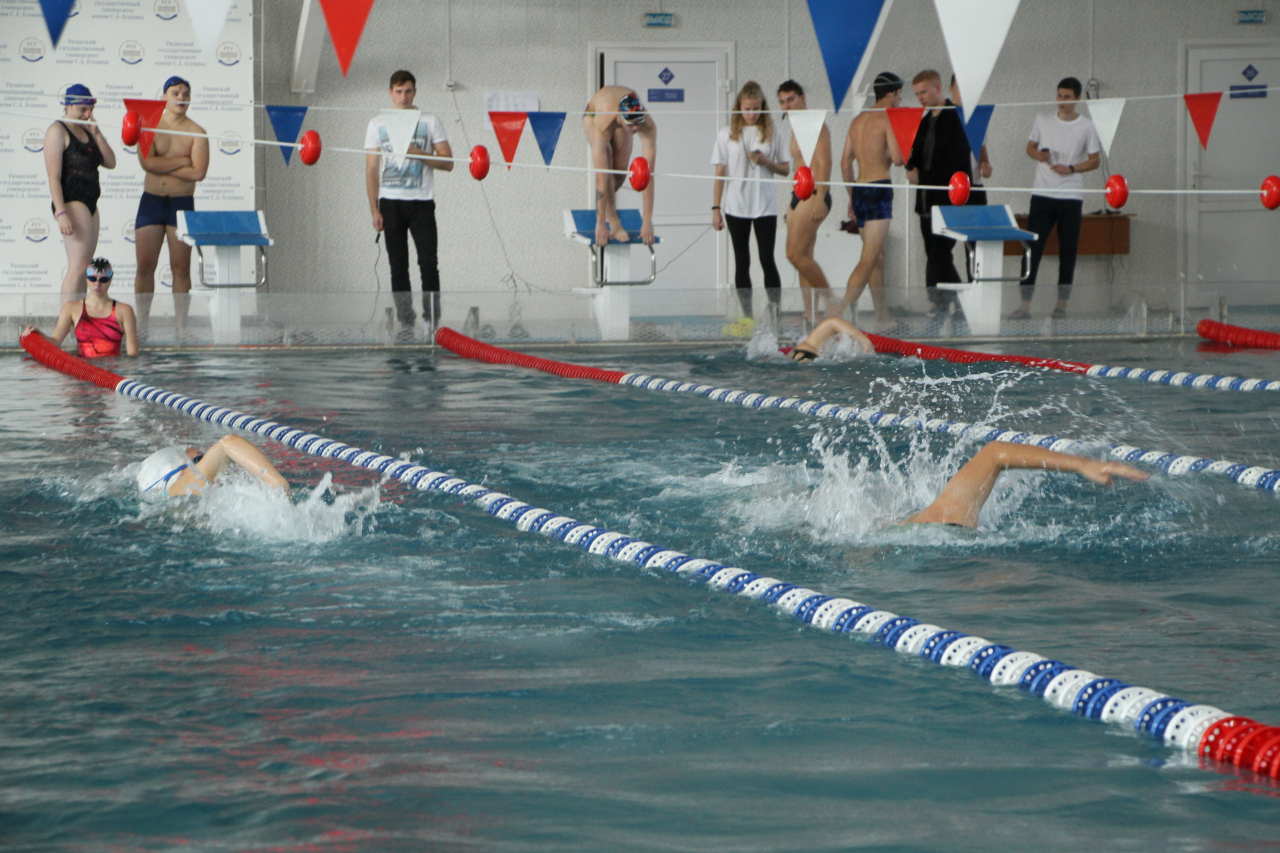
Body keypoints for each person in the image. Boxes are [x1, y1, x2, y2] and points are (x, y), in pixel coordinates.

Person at [365, 69, 453, 340]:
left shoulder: (430, 120)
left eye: (408, 91)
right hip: (390, 203)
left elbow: (449, 162)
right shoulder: (377, 124)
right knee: (397, 265)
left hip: (422, 203)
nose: (403, 97)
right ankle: (406, 321)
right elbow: (371, 169)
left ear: (415, 93)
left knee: (428, 263)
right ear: (390, 93)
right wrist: (374, 209)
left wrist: (420, 154)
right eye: (399, 91)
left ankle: (431, 320)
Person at [1010, 77, 1102, 320]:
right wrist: (1037, 155)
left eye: (1067, 97)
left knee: (1068, 250)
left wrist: (1071, 169)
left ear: (1077, 98)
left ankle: (1061, 305)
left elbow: (1095, 161)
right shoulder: (1043, 119)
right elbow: (1029, 148)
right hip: (1042, 192)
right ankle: (1024, 305)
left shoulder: (1087, 126)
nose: (1062, 101)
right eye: (1059, 96)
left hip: (1070, 195)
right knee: (1032, 249)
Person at [903, 441, 1147, 529]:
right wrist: (1081, 464)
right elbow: (994, 453)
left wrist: (1081, 464)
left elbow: (994, 453)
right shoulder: (946, 519)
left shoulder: (944, 518)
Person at [827, 72, 906, 328]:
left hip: (860, 189)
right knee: (869, 257)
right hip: (879, 189)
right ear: (891, 93)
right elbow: (897, 158)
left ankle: (882, 317)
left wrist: (852, 196)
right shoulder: (888, 119)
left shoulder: (857, 120)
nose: (901, 99)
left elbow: (844, 163)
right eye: (900, 94)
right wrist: (908, 146)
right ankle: (838, 314)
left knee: (877, 256)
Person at [133, 76, 208, 338]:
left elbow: (199, 173)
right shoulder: (148, 126)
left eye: (186, 93)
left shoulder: (197, 132)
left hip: (182, 204)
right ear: (163, 96)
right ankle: (141, 325)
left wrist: (165, 162)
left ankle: (182, 327)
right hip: (151, 201)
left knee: (180, 268)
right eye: (175, 93)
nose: (181, 98)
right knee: (145, 266)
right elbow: (148, 164)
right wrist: (181, 161)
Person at [711, 81, 789, 331]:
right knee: (741, 260)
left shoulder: (774, 131)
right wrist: (715, 208)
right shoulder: (726, 134)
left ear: (763, 107)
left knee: (767, 258)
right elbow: (720, 172)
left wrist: (766, 161)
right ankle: (747, 316)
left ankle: (775, 314)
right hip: (736, 206)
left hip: (765, 205)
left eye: (756, 108)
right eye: (747, 108)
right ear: (739, 108)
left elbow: (786, 169)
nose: (752, 113)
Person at [905, 70, 972, 319]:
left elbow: (955, 163)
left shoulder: (956, 117)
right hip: (926, 200)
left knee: (940, 253)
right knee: (933, 255)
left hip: (948, 200)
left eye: (924, 92)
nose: (920, 98)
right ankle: (944, 304)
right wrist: (910, 166)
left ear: (938, 88)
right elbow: (915, 152)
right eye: (917, 94)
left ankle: (961, 302)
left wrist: (922, 177)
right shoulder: (924, 121)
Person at [44, 84, 116, 303]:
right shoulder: (57, 130)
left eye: (90, 109)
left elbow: (111, 162)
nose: (87, 115)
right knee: (76, 268)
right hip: (71, 201)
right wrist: (61, 213)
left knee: (85, 267)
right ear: (68, 105)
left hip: (91, 201)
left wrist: (97, 132)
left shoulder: (88, 130)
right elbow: (54, 177)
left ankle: (79, 320)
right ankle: (65, 325)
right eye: (83, 110)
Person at [777, 80, 834, 326]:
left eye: (790, 99)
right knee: (804, 255)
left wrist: (821, 197)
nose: (786, 105)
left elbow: (824, 163)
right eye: (782, 101)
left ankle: (832, 302)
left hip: (813, 194)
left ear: (802, 98)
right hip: (799, 194)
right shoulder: (796, 126)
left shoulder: (815, 124)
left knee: (794, 254)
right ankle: (809, 313)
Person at [583, 85, 657, 247]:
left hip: (617, 111)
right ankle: (613, 220)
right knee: (607, 161)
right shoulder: (604, 124)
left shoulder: (647, 125)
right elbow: (601, 177)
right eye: (631, 125)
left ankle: (609, 209)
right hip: (594, 113)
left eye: (638, 123)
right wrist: (601, 223)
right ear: (621, 118)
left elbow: (648, 175)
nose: (636, 128)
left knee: (621, 170)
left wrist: (647, 221)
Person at [24, 257, 138, 357]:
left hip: (111, 376)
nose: (97, 284)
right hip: (83, 371)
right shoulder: (72, 308)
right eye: (93, 279)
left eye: (103, 280)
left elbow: (132, 354)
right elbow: (55, 342)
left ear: (110, 280)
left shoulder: (124, 311)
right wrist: (38, 334)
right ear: (86, 279)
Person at [136, 435, 289, 500]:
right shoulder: (182, 487)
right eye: (199, 459)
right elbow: (227, 443)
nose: (208, 463)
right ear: (174, 470)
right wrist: (278, 486)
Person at [949, 74, 993, 281]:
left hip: (974, 186)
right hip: (951, 188)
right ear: (950, 88)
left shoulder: (977, 117)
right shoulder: (944, 116)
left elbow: (981, 146)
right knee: (943, 245)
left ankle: (975, 288)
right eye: (960, 87)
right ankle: (942, 299)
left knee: (975, 244)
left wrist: (984, 162)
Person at [785, 316, 873, 362]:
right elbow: (832, 322)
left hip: (799, 355)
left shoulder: (809, 342)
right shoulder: (811, 342)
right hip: (807, 354)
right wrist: (864, 341)